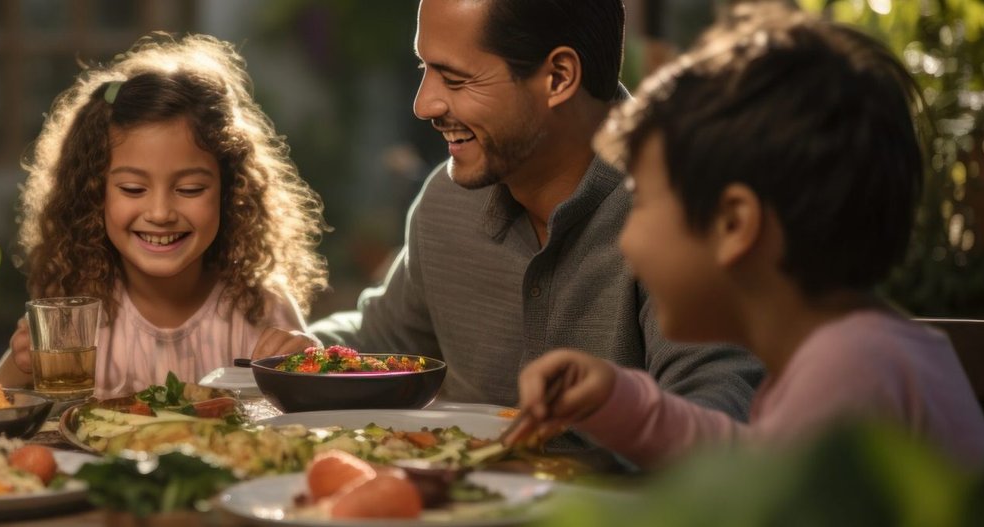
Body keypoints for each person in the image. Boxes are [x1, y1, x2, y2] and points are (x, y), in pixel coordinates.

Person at [507, 3, 984, 470]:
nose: (626, 240)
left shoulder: (849, 371)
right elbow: (744, 462)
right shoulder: (852, 352)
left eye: (644, 201)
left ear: (733, 224)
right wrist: (618, 399)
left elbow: (751, 497)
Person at [262, 0, 764, 418]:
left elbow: (718, 416)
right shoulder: (446, 202)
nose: (424, 104)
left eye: (454, 80)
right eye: (424, 68)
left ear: (559, 77)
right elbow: (379, 341)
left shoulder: (680, 211)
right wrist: (302, 348)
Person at [0, 34, 328, 397]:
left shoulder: (261, 307)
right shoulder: (74, 317)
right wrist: (22, 364)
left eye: (190, 190)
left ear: (230, 192)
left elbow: (317, 410)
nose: (161, 213)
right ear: (93, 195)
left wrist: (309, 361)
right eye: (133, 189)